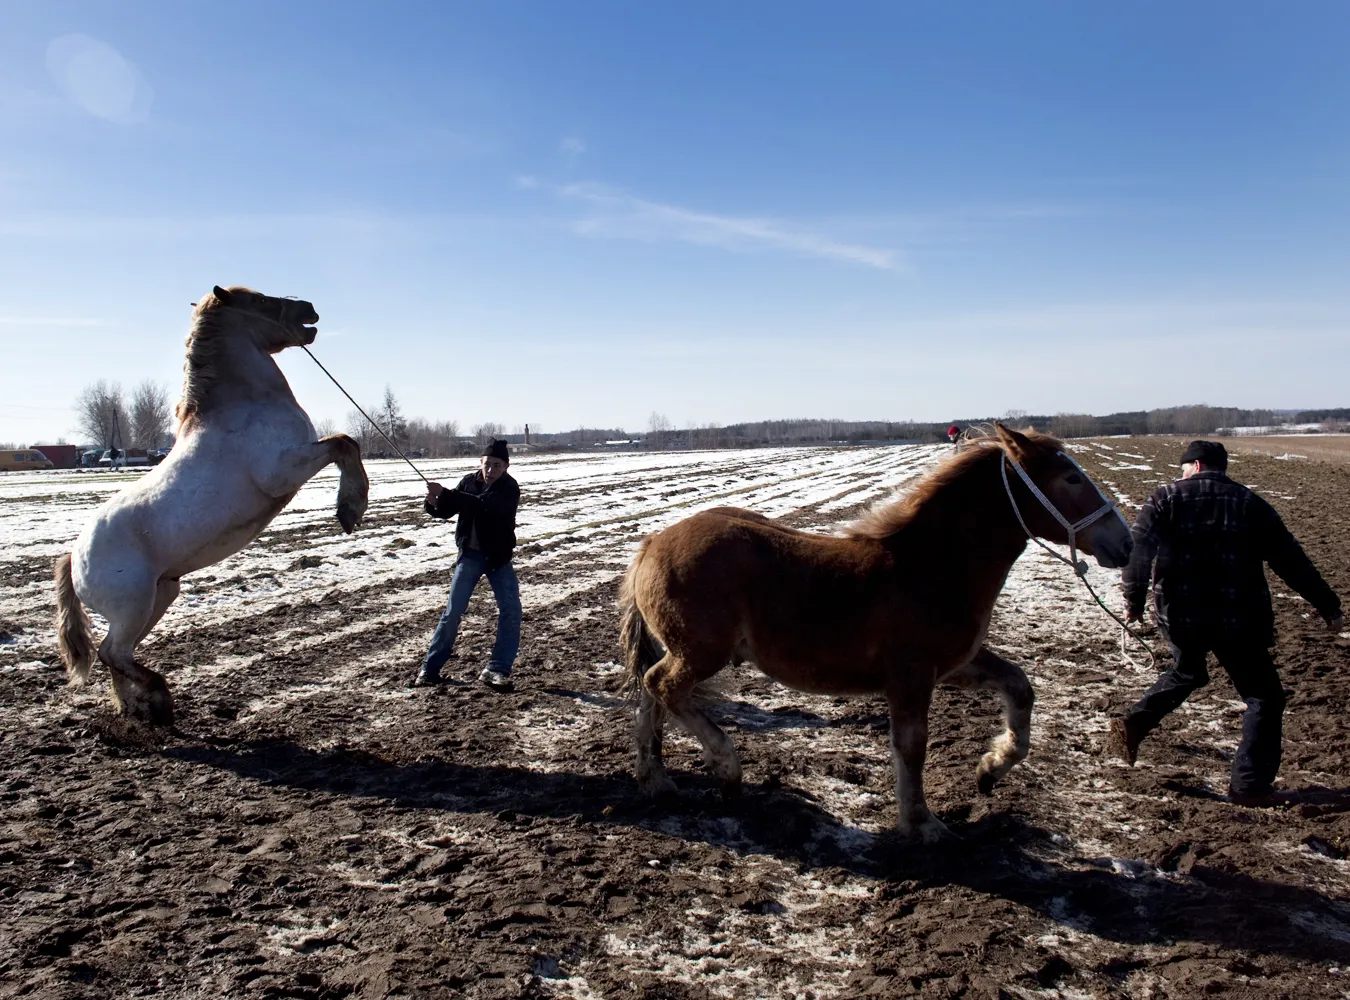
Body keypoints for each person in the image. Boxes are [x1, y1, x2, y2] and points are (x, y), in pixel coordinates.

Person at [1108, 439, 1343, 805]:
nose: (1182, 474)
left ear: (1196, 466)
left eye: (1185, 467)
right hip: (1240, 616)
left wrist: (1134, 600)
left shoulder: (1165, 498)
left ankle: (1134, 724)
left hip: (1181, 612)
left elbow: (1139, 551)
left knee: (1187, 672)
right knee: (1263, 697)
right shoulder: (1250, 503)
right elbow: (1289, 558)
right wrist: (1326, 603)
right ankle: (1249, 786)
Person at [412, 439, 523, 692]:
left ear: (506, 466)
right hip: (470, 556)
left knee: (511, 611)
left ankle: (497, 670)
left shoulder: (509, 488)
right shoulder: (468, 483)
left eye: (497, 465)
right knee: (452, 613)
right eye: (487, 464)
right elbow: (448, 510)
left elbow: (484, 505)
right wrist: (434, 501)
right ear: (480, 463)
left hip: (498, 559)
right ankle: (429, 670)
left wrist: (448, 494)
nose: (491, 469)